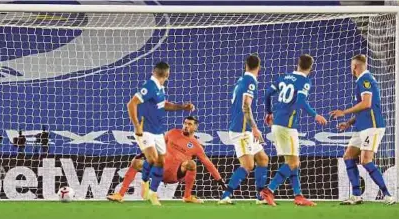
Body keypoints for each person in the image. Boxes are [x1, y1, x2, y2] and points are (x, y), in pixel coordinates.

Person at [107, 116, 225, 203]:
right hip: (159, 169)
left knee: (191, 164)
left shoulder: (196, 146)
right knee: (135, 162)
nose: (186, 126)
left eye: (189, 124)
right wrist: (142, 154)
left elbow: (208, 164)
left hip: (175, 174)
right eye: (185, 123)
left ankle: (187, 196)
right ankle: (120, 195)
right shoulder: (173, 132)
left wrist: (220, 181)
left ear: (195, 127)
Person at [260, 54, 327, 206]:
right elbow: (301, 101)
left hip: (278, 123)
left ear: (297, 64)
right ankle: (269, 190)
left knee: (292, 162)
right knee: (293, 162)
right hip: (287, 126)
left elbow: (267, 94)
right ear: (310, 67)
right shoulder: (305, 81)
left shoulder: (284, 77)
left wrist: (269, 112)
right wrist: (315, 115)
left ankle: (298, 196)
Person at [127, 61, 195, 205]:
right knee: (152, 159)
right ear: (167, 74)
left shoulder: (160, 88)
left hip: (158, 132)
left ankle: (152, 193)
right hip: (146, 131)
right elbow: (131, 103)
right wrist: (137, 126)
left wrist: (182, 107)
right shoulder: (150, 86)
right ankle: (144, 182)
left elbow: (164, 105)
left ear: (154, 71)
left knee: (160, 161)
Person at [331, 54, 395, 205]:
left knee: (366, 160)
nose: (350, 68)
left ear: (355, 66)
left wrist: (344, 112)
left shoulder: (365, 79)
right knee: (348, 156)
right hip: (362, 127)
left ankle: (387, 195)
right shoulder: (362, 80)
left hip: (371, 127)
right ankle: (356, 195)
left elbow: (367, 103)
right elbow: (365, 108)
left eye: (351, 66)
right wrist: (349, 122)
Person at [218, 54, 270, 205]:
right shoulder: (250, 81)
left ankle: (260, 196)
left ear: (246, 66)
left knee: (262, 159)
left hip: (244, 128)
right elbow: (245, 106)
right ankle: (225, 196)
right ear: (259, 68)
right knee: (248, 165)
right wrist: (255, 128)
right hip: (241, 130)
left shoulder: (242, 79)